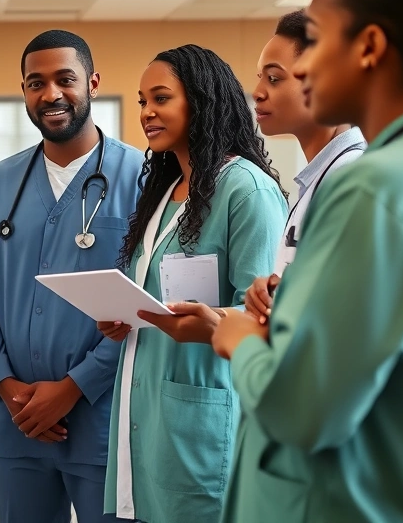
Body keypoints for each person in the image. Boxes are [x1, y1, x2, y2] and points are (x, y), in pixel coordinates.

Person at [210, 0, 403, 521]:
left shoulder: (376, 189)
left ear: (369, 46)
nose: (301, 70)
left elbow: (299, 409)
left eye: (317, 42)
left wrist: (241, 340)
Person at [96, 44, 288, 523]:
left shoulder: (246, 189)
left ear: (201, 100)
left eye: (161, 98)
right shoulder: (164, 193)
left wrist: (211, 321)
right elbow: (156, 292)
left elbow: (266, 315)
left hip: (204, 409)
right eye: (142, 101)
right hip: (149, 407)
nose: (147, 112)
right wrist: (126, 315)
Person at [0, 29, 144, 523]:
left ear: (93, 83)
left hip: (104, 418)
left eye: (65, 79)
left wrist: (74, 387)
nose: (51, 94)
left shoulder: (142, 177)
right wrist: (5, 384)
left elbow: (148, 299)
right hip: (17, 422)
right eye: (35, 83)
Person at [245, 9, 366, 323]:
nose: (257, 92)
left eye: (274, 78)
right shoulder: (319, 178)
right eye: (260, 77)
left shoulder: (352, 179)